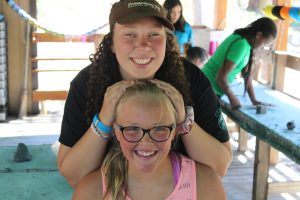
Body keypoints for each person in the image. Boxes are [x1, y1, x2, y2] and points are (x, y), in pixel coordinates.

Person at [58, 0, 232, 188]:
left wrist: (184, 121)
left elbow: (220, 166)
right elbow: (73, 175)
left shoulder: (192, 79)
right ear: (112, 44)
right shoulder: (86, 83)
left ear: (166, 40)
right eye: (130, 34)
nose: (143, 45)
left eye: (154, 34)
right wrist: (103, 121)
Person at [72, 80, 226, 200]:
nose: (146, 142)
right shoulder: (92, 190)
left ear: (174, 131)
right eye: (132, 129)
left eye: (159, 129)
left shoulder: (204, 183)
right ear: (117, 131)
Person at [201, 17, 277, 109]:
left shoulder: (246, 44)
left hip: (210, 88)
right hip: (206, 88)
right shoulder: (241, 44)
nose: (263, 46)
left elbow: (246, 75)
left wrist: (254, 100)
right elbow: (220, 77)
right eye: (265, 43)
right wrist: (232, 97)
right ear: (259, 35)